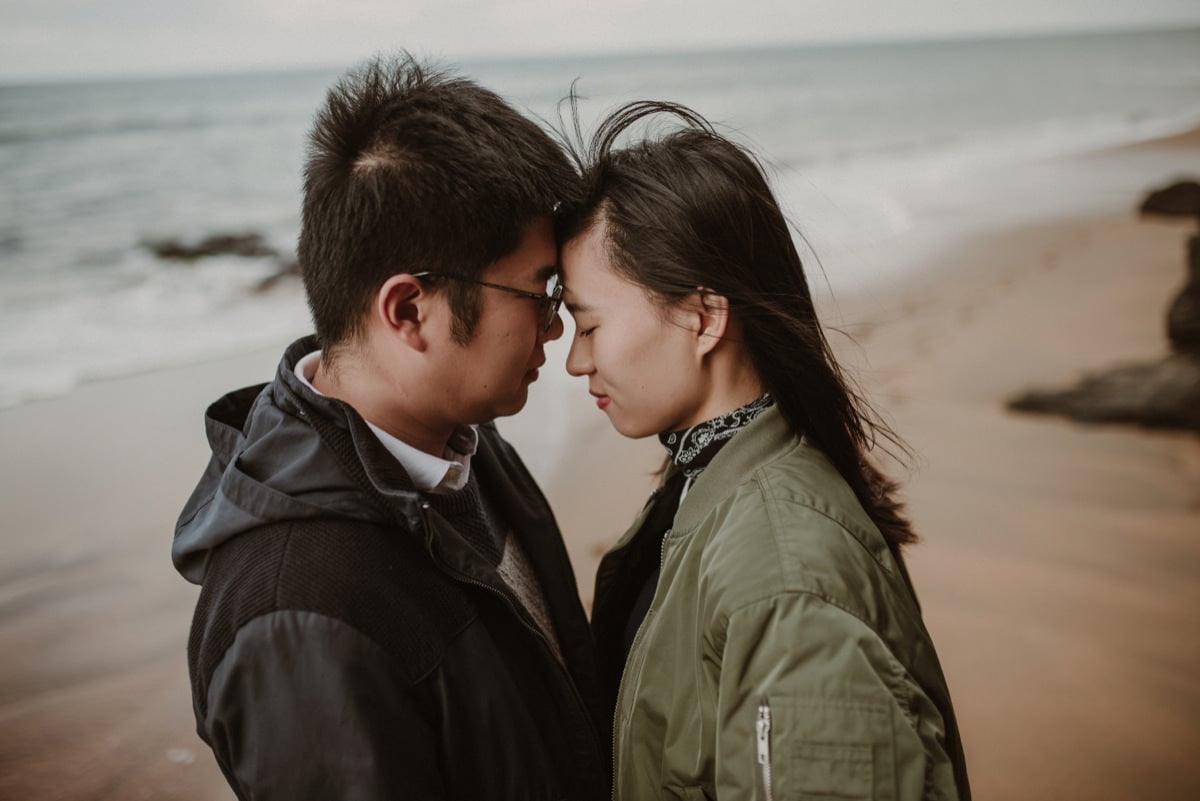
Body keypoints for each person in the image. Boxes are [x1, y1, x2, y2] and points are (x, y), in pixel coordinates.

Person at [172, 56, 609, 800]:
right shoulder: (297, 617)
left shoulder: (466, 443)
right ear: (408, 310)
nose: (557, 323)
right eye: (538, 292)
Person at [559, 101, 971, 800]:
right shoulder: (706, 484)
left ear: (703, 316)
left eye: (589, 324)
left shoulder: (780, 577)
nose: (575, 359)